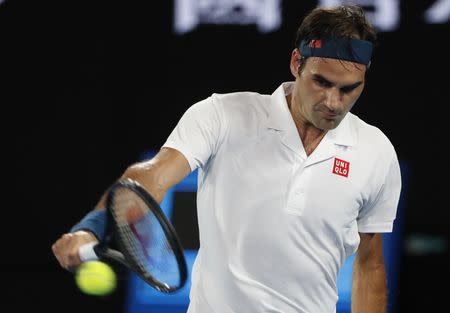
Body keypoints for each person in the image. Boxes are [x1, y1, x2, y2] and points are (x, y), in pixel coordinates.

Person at [52, 4, 402, 313]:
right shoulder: (221, 115)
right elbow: (153, 178)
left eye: (348, 89)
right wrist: (93, 226)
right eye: (321, 82)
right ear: (297, 62)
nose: (333, 102)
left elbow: (370, 264)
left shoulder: (376, 151)